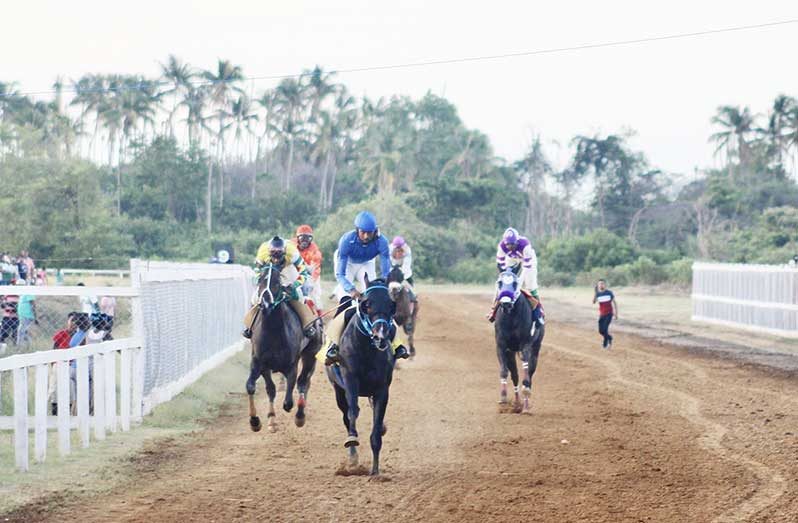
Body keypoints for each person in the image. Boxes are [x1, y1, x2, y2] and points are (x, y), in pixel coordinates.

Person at [325, 211, 408, 364]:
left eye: (369, 233)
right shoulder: (346, 240)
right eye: (362, 232)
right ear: (357, 230)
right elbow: (340, 274)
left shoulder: (382, 242)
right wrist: (351, 290)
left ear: (375, 231)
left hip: (367, 263)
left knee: (379, 301)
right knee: (345, 303)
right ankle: (333, 345)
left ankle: (397, 345)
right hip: (347, 265)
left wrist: (382, 288)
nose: (365, 236)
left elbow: (384, 272)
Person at [242, 236, 318, 340]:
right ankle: (249, 326)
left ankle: (307, 325)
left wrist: (294, 285)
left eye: (279, 256)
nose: (276, 260)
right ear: (269, 253)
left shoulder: (293, 253)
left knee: (299, 295)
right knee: (255, 297)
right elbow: (256, 272)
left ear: (285, 252)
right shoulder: (263, 252)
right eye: (273, 257)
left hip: (287, 269)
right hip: (269, 270)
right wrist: (259, 281)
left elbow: (303, 273)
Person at [487, 227, 541, 323]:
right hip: (512, 259)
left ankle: (538, 311)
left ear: (517, 241)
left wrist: (519, 282)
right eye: (507, 244)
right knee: (502, 284)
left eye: (512, 244)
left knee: (530, 285)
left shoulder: (525, 245)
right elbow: (501, 264)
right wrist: (504, 278)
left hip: (528, 261)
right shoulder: (502, 246)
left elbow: (526, 267)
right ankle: (493, 311)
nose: (509, 246)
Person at [291, 224, 323, 315]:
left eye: (308, 238)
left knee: (315, 296)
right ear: (297, 238)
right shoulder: (290, 245)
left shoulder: (315, 251)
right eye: (302, 237)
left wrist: (311, 282)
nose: (305, 241)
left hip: (310, 273)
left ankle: (319, 317)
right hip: (294, 271)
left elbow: (315, 269)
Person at [389, 235, 418, 303]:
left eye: (400, 250)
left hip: (405, 271)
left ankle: (413, 298)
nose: (399, 252)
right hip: (392, 269)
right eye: (397, 249)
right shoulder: (389, 249)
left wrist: (402, 277)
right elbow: (387, 263)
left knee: (411, 289)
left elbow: (406, 265)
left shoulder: (407, 250)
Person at [593, 279, 618, 349]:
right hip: (602, 314)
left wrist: (616, 313)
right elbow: (594, 302)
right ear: (598, 285)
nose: (601, 285)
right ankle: (610, 338)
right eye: (600, 284)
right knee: (601, 331)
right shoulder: (598, 294)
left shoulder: (609, 292)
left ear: (605, 285)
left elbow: (615, 303)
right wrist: (595, 293)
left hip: (609, 314)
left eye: (602, 284)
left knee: (605, 329)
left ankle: (605, 343)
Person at [16, 282, 37, 346]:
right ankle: (27, 345)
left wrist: (35, 315)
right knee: (23, 331)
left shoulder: (28, 292)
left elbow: (33, 304)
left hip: (27, 315)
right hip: (22, 316)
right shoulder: (22, 294)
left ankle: (20, 345)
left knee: (22, 330)